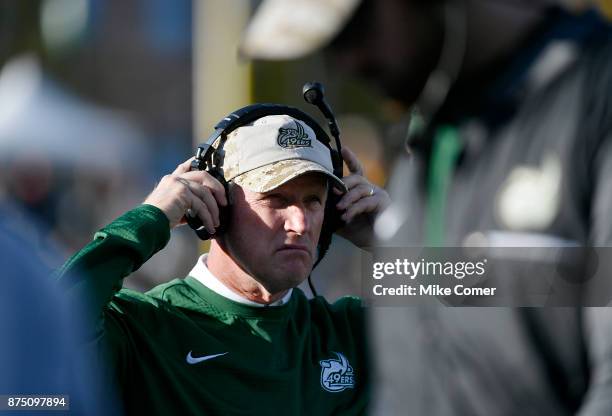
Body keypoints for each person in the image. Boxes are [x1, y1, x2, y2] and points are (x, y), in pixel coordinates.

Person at [241, 0, 612, 415]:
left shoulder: (594, 100)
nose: (347, 62)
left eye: (354, 30)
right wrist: (396, 249)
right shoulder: (436, 137)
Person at [58, 112, 389, 415]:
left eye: (313, 201)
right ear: (217, 203)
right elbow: (41, 328)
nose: (300, 224)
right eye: (277, 199)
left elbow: (442, 329)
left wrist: (394, 238)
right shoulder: (144, 328)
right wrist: (150, 218)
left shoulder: (349, 332)